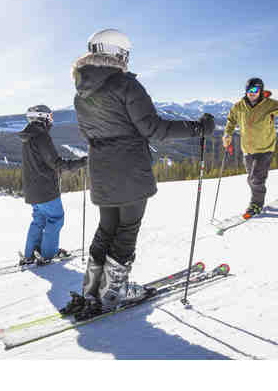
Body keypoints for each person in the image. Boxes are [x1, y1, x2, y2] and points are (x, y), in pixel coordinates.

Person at [61, 29, 215, 319]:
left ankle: (91, 290)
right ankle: (114, 291)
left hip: (101, 169)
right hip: (130, 169)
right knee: (126, 230)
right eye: (126, 54)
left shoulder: (81, 92)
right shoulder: (125, 85)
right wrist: (197, 128)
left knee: (107, 228)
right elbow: (155, 129)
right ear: (117, 52)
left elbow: (89, 132)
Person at [222, 77, 278, 218]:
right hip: (247, 149)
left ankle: (256, 204)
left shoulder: (269, 104)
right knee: (251, 179)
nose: (252, 93)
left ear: (260, 91)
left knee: (256, 179)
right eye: (249, 90)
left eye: (255, 90)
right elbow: (231, 120)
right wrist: (227, 134)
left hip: (265, 148)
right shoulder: (239, 106)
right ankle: (257, 198)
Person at [18, 104, 87, 265]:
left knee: (39, 220)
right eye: (50, 117)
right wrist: (82, 162)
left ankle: (30, 254)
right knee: (55, 219)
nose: (51, 121)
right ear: (42, 118)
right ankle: (48, 253)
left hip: (32, 190)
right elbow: (57, 163)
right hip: (45, 189)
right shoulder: (41, 136)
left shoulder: (28, 137)